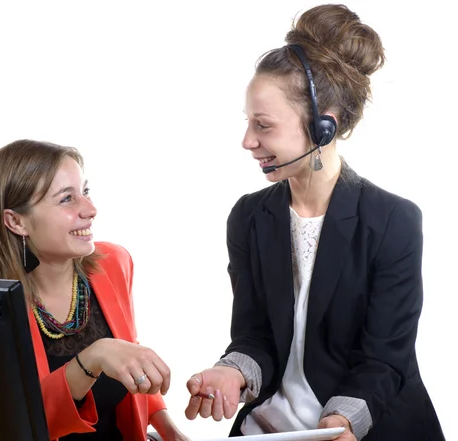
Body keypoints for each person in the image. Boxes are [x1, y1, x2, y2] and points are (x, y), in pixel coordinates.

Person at [184, 4, 445, 441]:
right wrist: (231, 372)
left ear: (325, 126)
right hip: (276, 426)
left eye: (263, 126)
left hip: (365, 422)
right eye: (249, 123)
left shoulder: (393, 221)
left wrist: (340, 422)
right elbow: (255, 336)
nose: (248, 141)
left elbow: (384, 358)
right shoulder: (249, 216)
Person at [0, 139, 188, 441]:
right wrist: (93, 357)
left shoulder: (114, 263)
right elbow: (18, 422)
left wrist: (168, 429)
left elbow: (127, 360)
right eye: (66, 199)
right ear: (16, 221)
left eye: (85, 192)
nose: (90, 209)